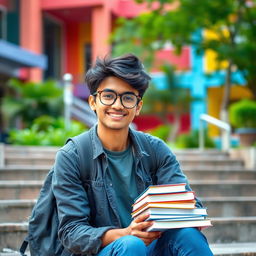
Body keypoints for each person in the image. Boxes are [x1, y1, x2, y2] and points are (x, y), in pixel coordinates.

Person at [52, 53, 213, 256]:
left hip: (152, 245)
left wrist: (173, 214)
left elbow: (187, 203)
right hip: (102, 251)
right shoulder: (72, 156)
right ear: (93, 102)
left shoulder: (156, 150)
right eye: (108, 96)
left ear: (138, 107)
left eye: (128, 98)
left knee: (187, 234)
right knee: (131, 245)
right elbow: (72, 232)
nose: (118, 105)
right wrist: (125, 233)